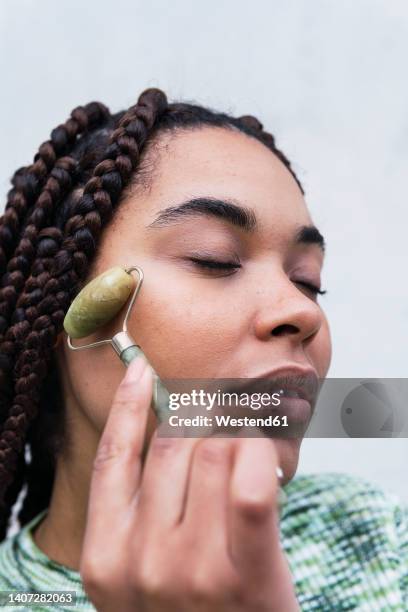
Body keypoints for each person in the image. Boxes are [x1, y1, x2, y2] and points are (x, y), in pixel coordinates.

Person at [0, 88, 406, 611]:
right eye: (214, 259)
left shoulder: (378, 539)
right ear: (59, 308)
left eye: (308, 280)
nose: (302, 311)